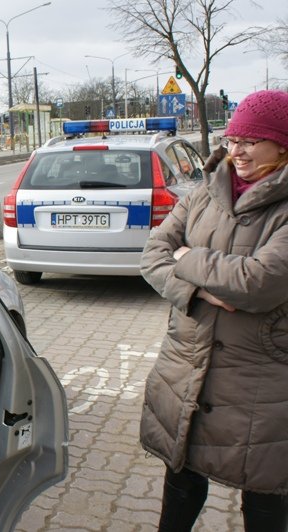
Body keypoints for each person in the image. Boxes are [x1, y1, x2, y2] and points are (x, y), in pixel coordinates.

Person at [139, 89, 288, 532]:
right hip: (188, 364)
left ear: (281, 144)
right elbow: (152, 255)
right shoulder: (205, 191)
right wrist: (199, 292)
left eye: (250, 141)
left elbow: (258, 283)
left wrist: (187, 258)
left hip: (261, 376)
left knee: (265, 496)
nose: (236, 151)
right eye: (232, 138)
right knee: (181, 481)